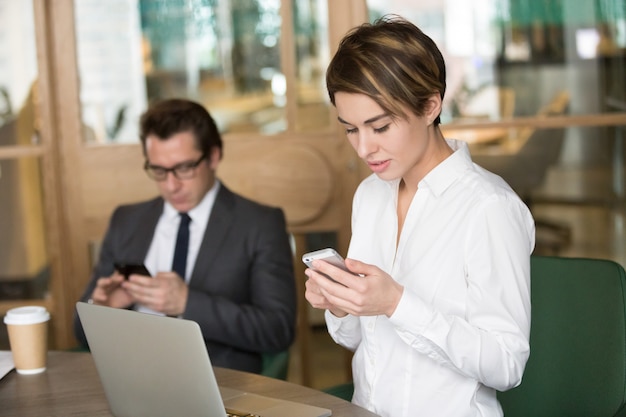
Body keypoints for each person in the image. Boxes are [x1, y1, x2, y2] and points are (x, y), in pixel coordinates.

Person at [304, 16, 535, 417]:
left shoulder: (489, 208)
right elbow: (360, 340)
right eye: (351, 129)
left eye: (380, 126)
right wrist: (340, 305)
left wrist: (397, 303)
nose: (364, 148)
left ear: (430, 106)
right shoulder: (370, 196)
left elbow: (506, 364)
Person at [74, 98, 297, 374]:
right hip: (130, 376)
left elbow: (278, 329)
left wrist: (187, 303)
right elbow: (80, 331)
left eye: (184, 168)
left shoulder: (259, 224)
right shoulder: (127, 221)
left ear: (213, 157)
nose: (171, 185)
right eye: (158, 170)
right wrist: (102, 310)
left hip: (219, 383)